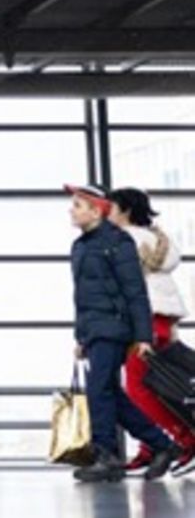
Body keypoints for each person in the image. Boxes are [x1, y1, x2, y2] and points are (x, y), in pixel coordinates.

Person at [65, 183, 181, 483]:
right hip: (95, 329)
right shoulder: (81, 246)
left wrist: (143, 336)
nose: (71, 210)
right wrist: (81, 337)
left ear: (96, 211)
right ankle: (162, 445)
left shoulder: (119, 243)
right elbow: (83, 298)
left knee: (99, 390)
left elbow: (135, 292)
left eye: (78, 205)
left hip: (114, 328)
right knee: (108, 392)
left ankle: (107, 455)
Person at [109, 187, 195, 476]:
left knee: (137, 388)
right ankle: (150, 447)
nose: (107, 214)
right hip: (160, 320)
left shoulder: (127, 240)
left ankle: (185, 441)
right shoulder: (155, 240)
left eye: (112, 208)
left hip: (144, 321)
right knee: (147, 385)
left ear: (125, 211)